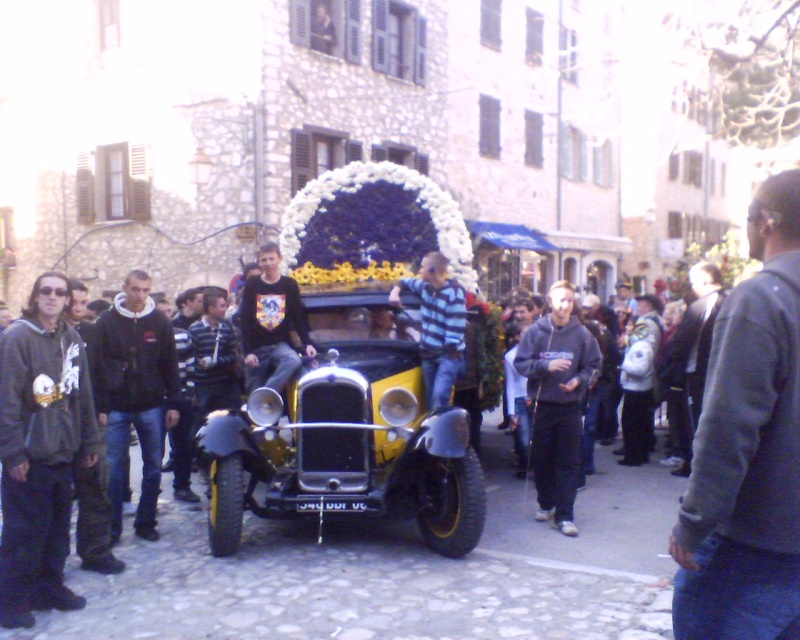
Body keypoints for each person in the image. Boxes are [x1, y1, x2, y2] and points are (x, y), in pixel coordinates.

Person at [669, 169, 800, 639]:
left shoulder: (762, 298)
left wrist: (693, 522)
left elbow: (728, 425)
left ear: (767, 221)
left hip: (755, 540)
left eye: (747, 217)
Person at [0, 273, 102, 629]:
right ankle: (11, 601)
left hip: (64, 449)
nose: (53, 297)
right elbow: (7, 400)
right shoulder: (17, 337)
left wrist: (89, 441)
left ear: (67, 300)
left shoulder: (71, 336)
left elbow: (83, 394)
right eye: (46, 291)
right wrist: (12, 454)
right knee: (23, 532)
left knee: (58, 529)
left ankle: (49, 588)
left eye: (60, 293)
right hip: (31, 454)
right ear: (35, 295)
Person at [94, 270, 182, 543]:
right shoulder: (106, 322)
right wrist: (102, 407)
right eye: (135, 289)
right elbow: (96, 366)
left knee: (153, 466)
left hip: (152, 404)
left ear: (150, 290)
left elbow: (170, 364)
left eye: (145, 290)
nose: (139, 295)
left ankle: (146, 522)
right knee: (115, 470)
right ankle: (112, 528)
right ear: (124, 288)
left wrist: (173, 403)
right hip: (117, 405)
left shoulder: (159, 322)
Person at [514, 280, 601, 537]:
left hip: (569, 407)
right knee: (542, 458)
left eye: (570, 300)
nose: (565, 306)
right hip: (541, 405)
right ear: (550, 302)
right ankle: (546, 503)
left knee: (569, 461)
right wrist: (544, 367)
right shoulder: (536, 332)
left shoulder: (582, 334)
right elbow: (520, 363)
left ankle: (565, 516)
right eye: (560, 300)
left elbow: (594, 366)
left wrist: (579, 381)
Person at [64, 281, 126, 575]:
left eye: (83, 302)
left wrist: (103, 407)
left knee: (95, 488)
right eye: (74, 301)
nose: (79, 307)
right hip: (56, 427)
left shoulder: (90, 333)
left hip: (90, 424)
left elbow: (105, 370)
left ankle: (95, 551)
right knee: (57, 494)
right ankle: (50, 561)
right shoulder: (45, 336)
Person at [659, 262, 727, 478]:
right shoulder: (730, 301)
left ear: (704, 281)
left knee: (695, 426)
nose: (692, 288)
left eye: (693, 283)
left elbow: (680, 343)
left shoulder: (702, 306)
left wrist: (665, 368)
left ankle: (695, 470)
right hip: (721, 375)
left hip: (699, 376)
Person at [389, 251, 467, 411]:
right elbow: (404, 281)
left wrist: (450, 353)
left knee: (439, 397)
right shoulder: (426, 287)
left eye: (423, 268)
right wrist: (395, 292)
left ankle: (441, 434)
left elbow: (455, 329)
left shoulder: (454, 293)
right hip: (428, 353)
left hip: (447, 355)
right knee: (430, 399)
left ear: (432, 270)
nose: (419, 271)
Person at [240, 242, 317, 394]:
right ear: (259, 262)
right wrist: (248, 351)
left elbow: (297, 316)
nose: (268, 263)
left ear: (279, 259)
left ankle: (266, 395)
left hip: (279, 345)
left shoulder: (289, 284)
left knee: (293, 360)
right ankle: (257, 401)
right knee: (253, 388)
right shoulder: (252, 284)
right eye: (264, 260)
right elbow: (245, 318)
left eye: (271, 259)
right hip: (257, 348)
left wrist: (307, 342)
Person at [617, 294, 663, 466]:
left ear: (648, 306)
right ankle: (641, 449)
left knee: (632, 420)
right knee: (642, 418)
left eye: (640, 304)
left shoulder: (646, 323)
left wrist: (624, 360)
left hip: (638, 383)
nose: (637, 308)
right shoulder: (654, 321)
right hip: (647, 378)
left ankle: (634, 453)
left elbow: (637, 343)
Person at [189, 291, 242, 420]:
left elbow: (234, 356)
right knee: (203, 422)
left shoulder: (226, 328)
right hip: (204, 386)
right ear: (211, 308)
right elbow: (190, 358)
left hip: (225, 384)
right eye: (222, 306)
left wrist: (217, 361)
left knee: (231, 420)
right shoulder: (195, 330)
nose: (226, 309)